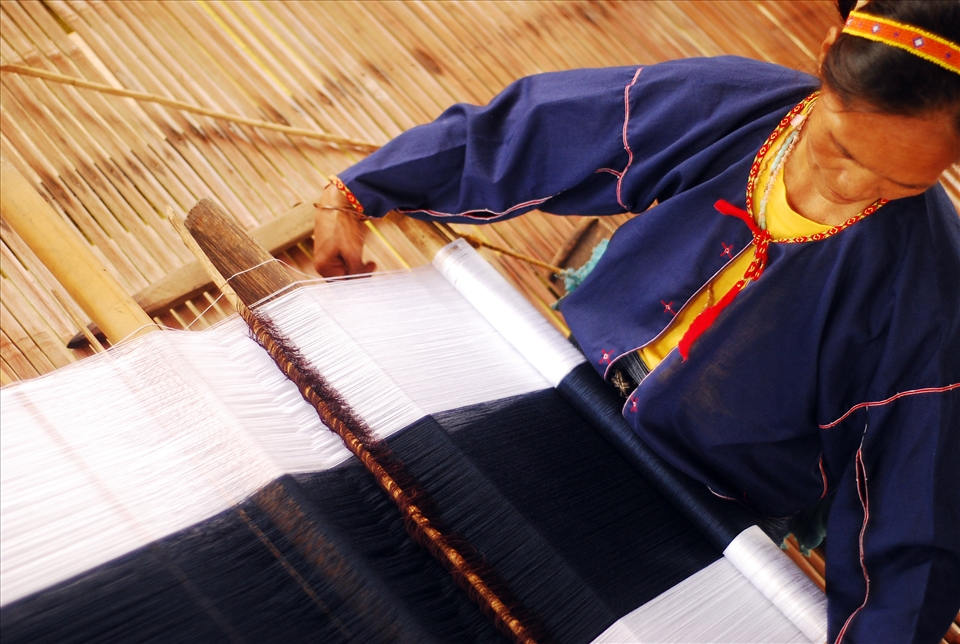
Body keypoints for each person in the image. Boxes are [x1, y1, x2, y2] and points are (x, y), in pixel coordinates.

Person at [312, 1, 960, 642]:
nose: (849, 186)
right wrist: (363, 188)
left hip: (701, 505)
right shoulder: (728, 104)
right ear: (825, 55)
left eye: (896, 183)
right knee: (367, 543)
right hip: (564, 387)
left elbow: (913, 516)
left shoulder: (932, 295)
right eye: (840, 146)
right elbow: (544, 130)